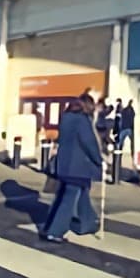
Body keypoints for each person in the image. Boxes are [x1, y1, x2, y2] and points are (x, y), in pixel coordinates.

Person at [39, 94, 105, 243]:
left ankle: (87, 224)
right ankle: (55, 231)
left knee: (78, 194)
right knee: (68, 198)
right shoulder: (82, 120)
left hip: (64, 163)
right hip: (78, 165)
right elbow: (89, 143)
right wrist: (99, 160)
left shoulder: (66, 118)